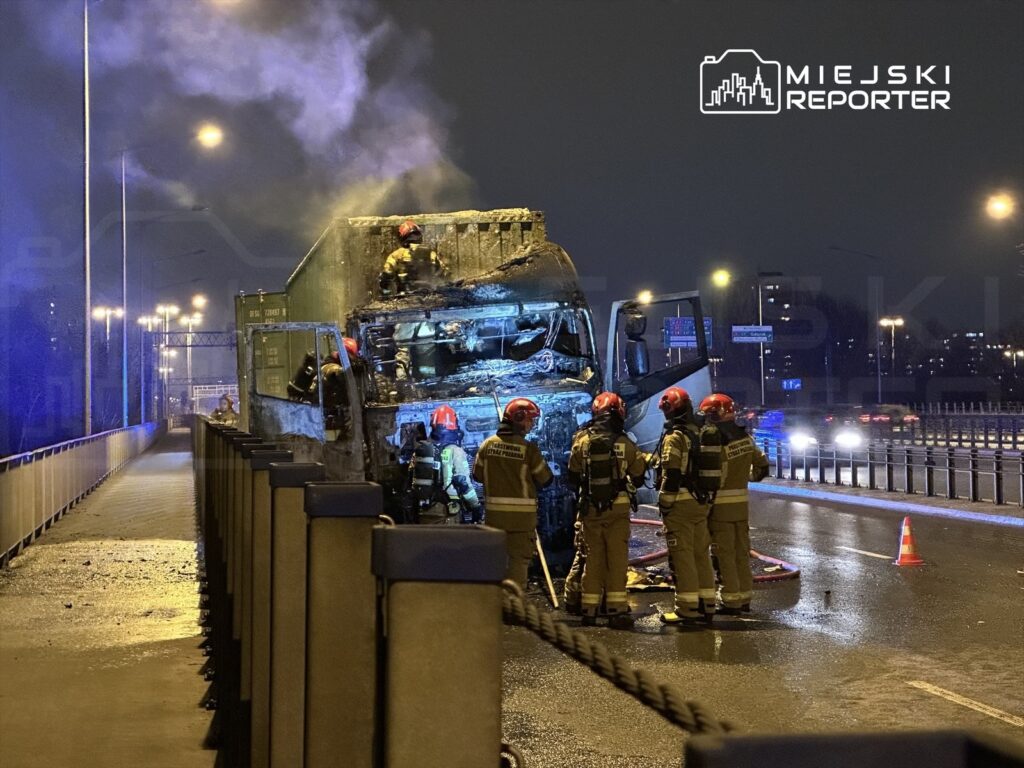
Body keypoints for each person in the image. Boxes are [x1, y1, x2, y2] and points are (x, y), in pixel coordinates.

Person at [567, 392, 647, 628]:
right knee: (616, 559)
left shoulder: (581, 441)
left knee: (592, 558)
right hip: (618, 509)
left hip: (591, 510)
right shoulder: (625, 443)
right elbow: (639, 476)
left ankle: (589, 609)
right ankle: (616, 609)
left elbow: (572, 476)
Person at [472, 398, 553, 588]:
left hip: (494, 521)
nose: (532, 424)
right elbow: (546, 480)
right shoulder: (528, 449)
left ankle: (495, 608)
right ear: (518, 418)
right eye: (530, 420)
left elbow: (477, 476)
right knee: (518, 565)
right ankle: (515, 609)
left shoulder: (487, 445)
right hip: (521, 522)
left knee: (496, 565)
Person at [655, 386, 719, 625]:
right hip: (701, 502)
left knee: (683, 557)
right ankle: (707, 605)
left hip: (680, 504)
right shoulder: (700, 431)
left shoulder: (675, 437)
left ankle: (687, 609)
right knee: (701, 554)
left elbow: (671, 473)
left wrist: (665, 503)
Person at [701, 393, 769, 615]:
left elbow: (709, 475)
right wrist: (745, 478)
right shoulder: (745, 438)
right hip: (741, 507)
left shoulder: (714, 441)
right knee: (742, 553)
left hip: (720, 507)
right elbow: (762, 466)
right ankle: (744, 598)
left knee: (724, 555)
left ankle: (731, 601)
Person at [430, 405, 483, 523]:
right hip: (448, 511)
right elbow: (463, 482)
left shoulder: (426, 450)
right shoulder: (455, 450)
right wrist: (475, 506)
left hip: (427, 510)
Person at [379, 219, 449, 297]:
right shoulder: (431, 253)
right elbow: (443, 272)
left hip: (405, 295)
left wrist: (385, 292)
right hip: (428, 294)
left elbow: (387, 273)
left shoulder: (397, 254)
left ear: (402, 237)